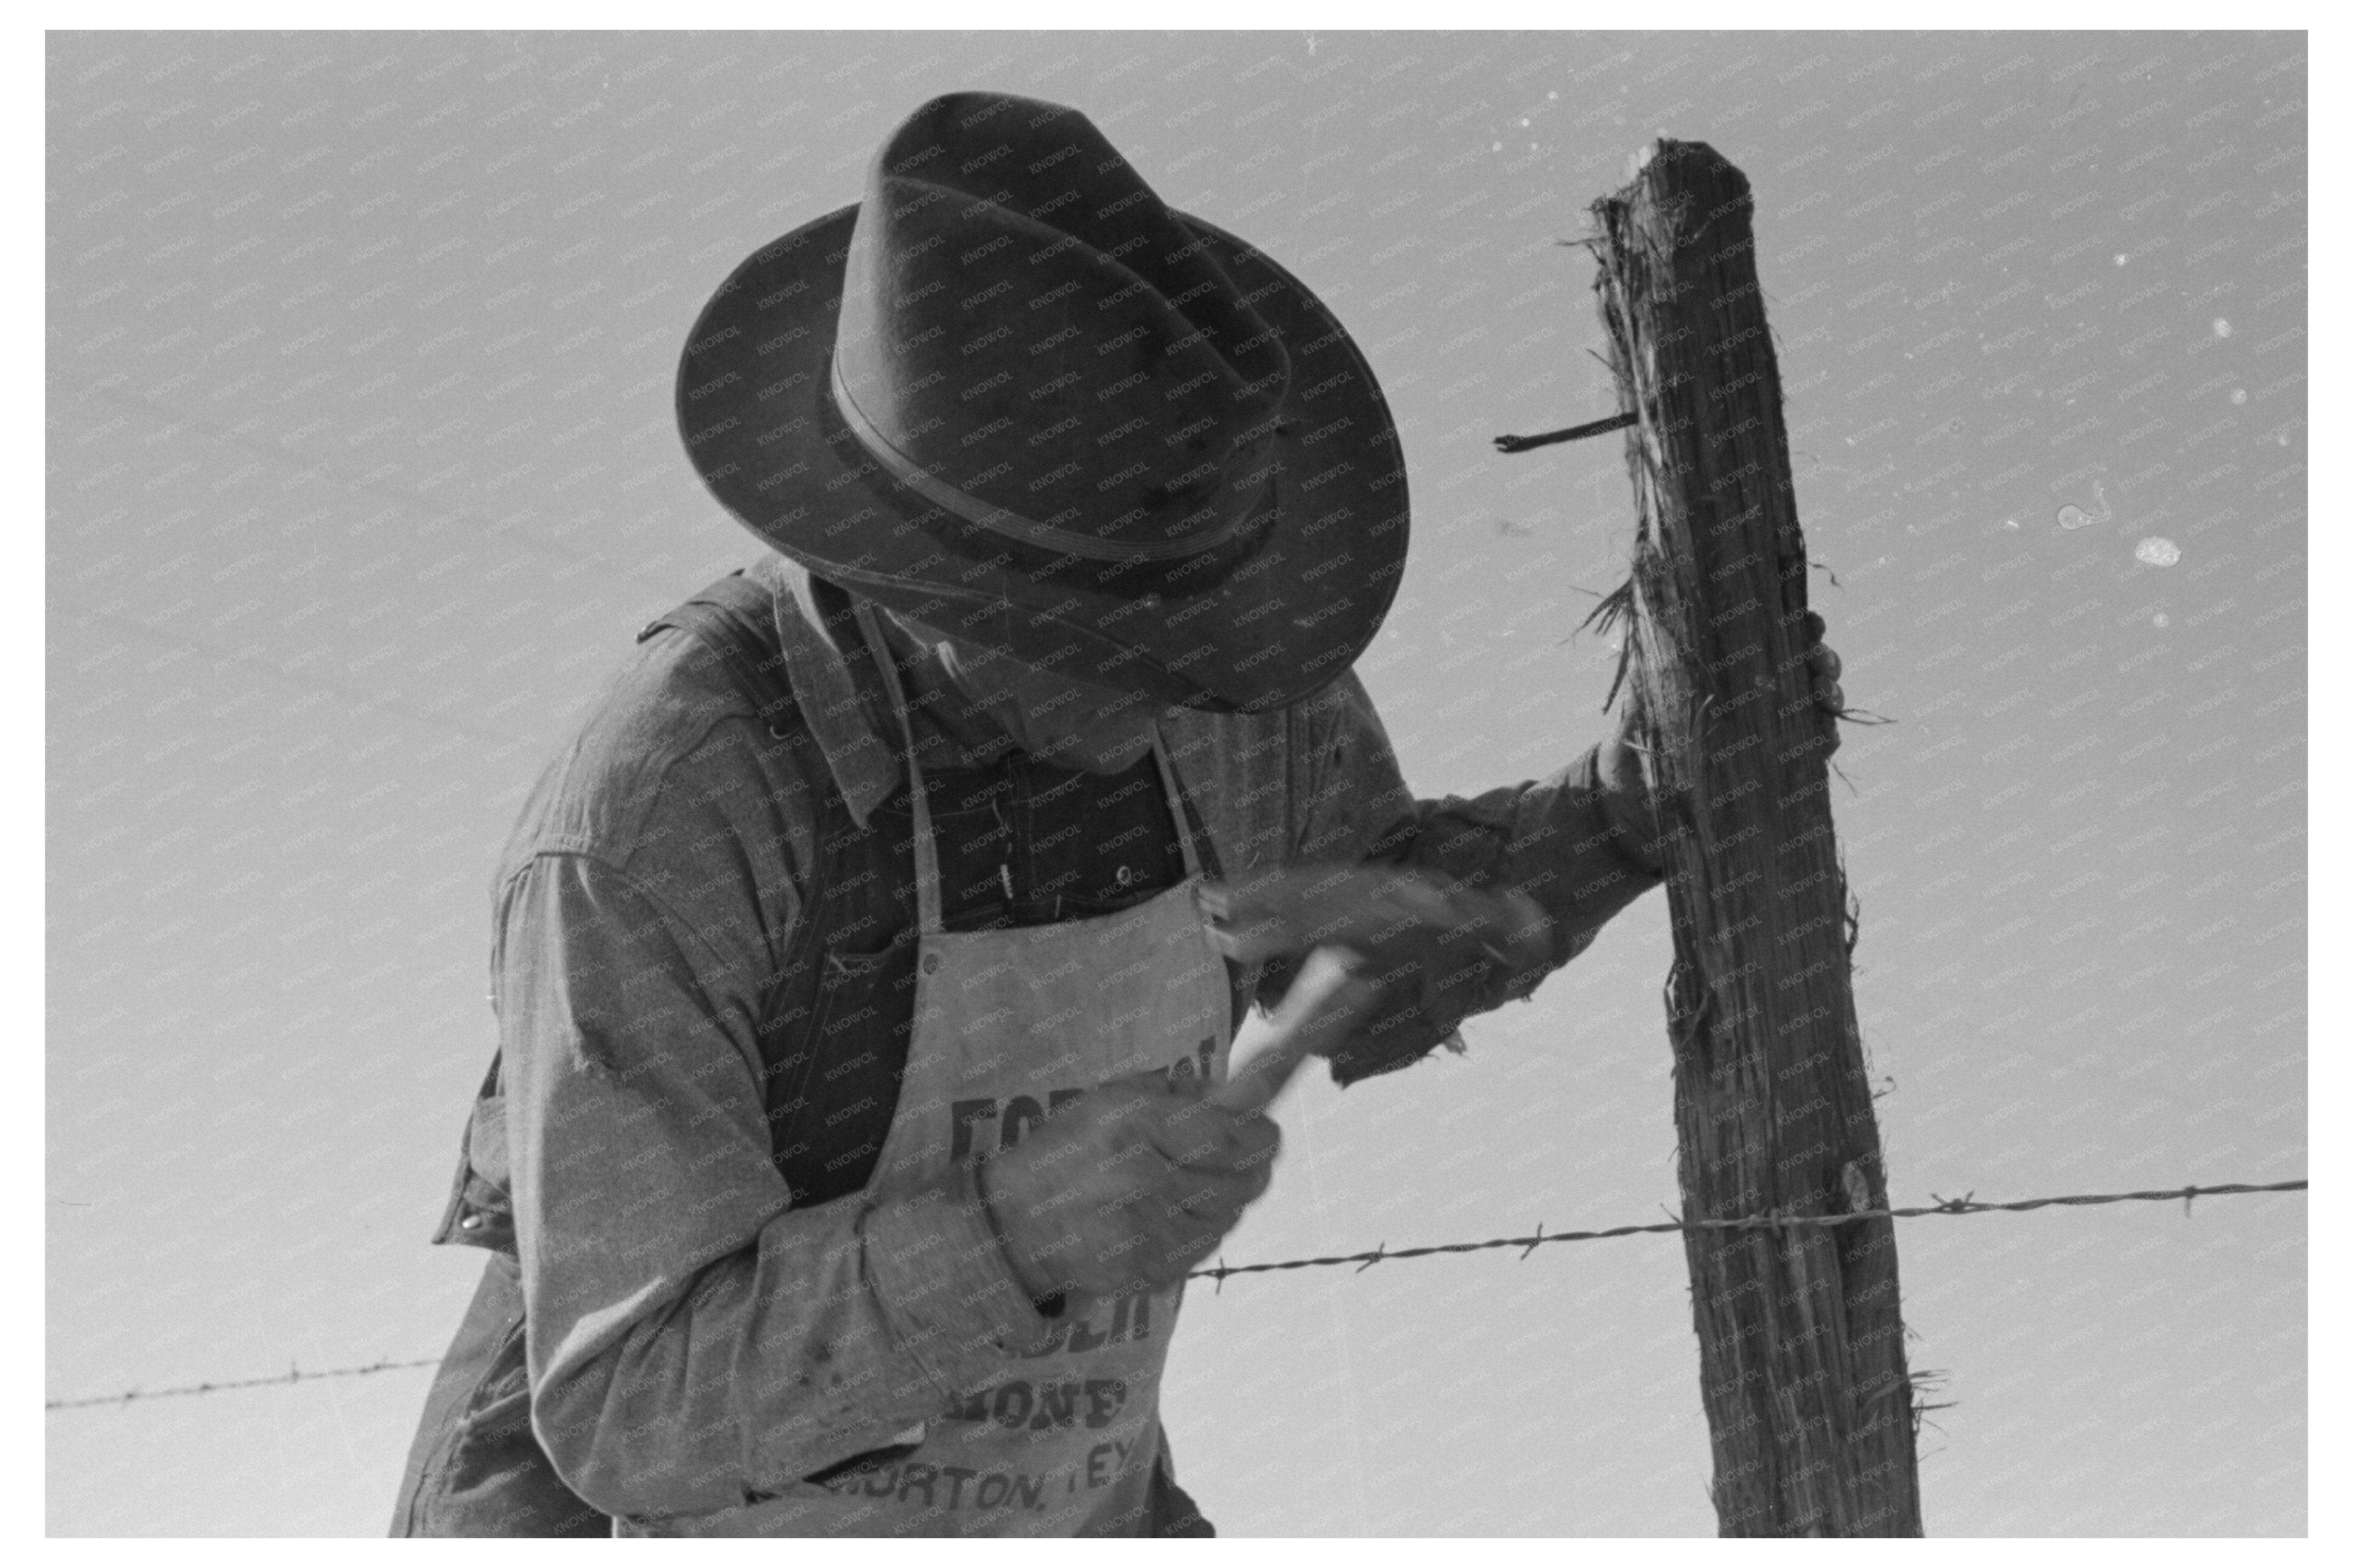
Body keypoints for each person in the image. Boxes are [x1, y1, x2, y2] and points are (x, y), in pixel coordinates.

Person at [389, 91, 1845, 1539]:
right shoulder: (667, 806)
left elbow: (1363, 919)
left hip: (1052, 1497)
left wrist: (1621, 815)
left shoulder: (1223, 674)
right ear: (906, 567)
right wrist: (1016, 1231)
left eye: (1181, 631)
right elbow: (632, 1405)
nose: (1165, 695)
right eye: (1090, 636)